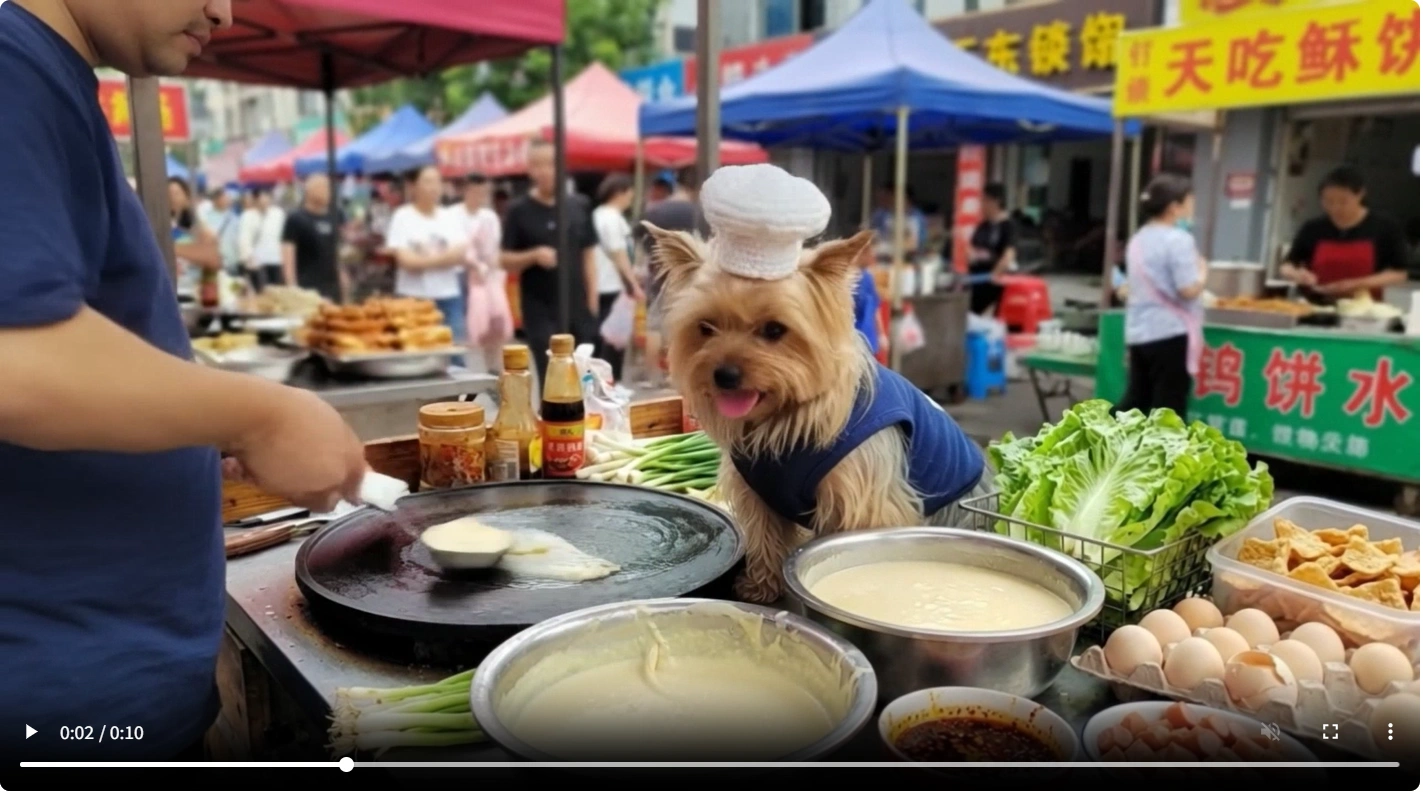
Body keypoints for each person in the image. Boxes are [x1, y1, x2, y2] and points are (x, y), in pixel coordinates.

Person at [0, 0, 368, 763]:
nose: (225, 11)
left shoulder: (48, 78)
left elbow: (67, 332)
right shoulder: (11, 67)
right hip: (56, 716)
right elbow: (15, 361)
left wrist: (189, 423)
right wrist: (255, 415)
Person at [500, 138, 600, 377]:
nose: (545, 171)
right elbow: (503, 260)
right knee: (552, 375)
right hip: (539, 309)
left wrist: (593, 303)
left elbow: (588, 255)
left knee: (582, 374)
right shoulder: (518, 210)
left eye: (551, 163)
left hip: (577, 306)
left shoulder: (579, 205)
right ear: (529, 168)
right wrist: (533, 255)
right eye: (538, 165)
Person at [1115, 174, 1208, 418]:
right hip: (1170, 332)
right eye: (1189, 201)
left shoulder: (1138, 239)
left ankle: (1096, 437)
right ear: (1174, 208)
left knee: (1138, 398)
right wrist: (1203, 274)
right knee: (1170, 407)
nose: (1192, 207)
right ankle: (1169, 454)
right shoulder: (1179, 240)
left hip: (1140, 331)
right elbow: (1187, 290)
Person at [1280, 166, 1410, 300]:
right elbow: (1287, 266)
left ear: (1360, 194)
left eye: (1343, 202)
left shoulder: (1385, 227)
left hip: (1364, 307)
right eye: (1328, 201)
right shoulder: (1312, 228)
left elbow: (1399, 273)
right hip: (1314, 306)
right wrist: (1296, 275)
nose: (1335, 208)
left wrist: (1356, 284)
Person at [386, 165, 469, 358]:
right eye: (428, 181)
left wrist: (424, 260)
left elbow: (460, 254)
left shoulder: (450, 217)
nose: (434, 187)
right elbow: (406, 260)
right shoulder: (402, 217)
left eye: (438, 182)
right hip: (412, 298)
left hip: (448, 296)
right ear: (413, 186)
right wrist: (443, 259)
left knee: (455, 355)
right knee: (414, 355)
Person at [633, 176, 705, 386]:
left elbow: (638, 233)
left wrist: (652, 257)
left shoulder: (657, 209)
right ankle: (675, 375)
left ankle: (652, 375)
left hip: (661, 272)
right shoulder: (697, 212)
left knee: (655, 324)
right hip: (691, 274)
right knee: (683, 324)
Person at [444, 174, 511, 374]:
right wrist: (471, 262)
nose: (480, 196)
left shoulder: (489, 217)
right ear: (465, 191)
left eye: (484, 192)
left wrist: (491, 270)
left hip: (486, 277)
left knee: (492, 325)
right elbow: (453, 246)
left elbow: (495, 248)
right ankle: (458, 368)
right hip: (459, 274)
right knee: (460, 326)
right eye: (476, 191)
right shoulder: (451, 215)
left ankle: (492, 368)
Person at [590, 173, 644, 381]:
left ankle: (602, 380)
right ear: (619, 193)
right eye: (630, 193)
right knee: (612, 337)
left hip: (601, 282)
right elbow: (618, 252)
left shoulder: (597, 215)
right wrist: (632, 282)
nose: (631, 198)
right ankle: (610, 380)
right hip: (610, 283)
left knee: (605, 335)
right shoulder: (611, 218)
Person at [281, 173, 347, 301]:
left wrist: (342, 277)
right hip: (308, 289)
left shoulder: (334, 216)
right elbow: (288, 257)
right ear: (310, 191)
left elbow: (334, 251)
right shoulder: (295, 219)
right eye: (325, 188)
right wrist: (292, 288)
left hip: (332, 287)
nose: (329, 193)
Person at [964, 183, 1018, 315]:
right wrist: (970, 254)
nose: (981, 204)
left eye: (984, 200)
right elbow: (971, 246)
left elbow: (1008, 255)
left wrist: (994, 274)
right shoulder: (983, 225)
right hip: (977, 278)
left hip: (994, 281)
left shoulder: (1008, 226)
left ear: (996, 201)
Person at [168, 177, 220, 296]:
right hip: (172, 289)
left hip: (194, 288)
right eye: (168, 193)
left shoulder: (198, 226)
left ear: (186, 197)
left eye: (176, 193)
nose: (172, 198)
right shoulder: (159, 226)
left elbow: (212, 258)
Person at [239, 187, 285, 291]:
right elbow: (244, 239)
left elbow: (283, 237)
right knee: (262, 293)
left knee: (278, 292)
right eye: (261, 197)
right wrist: (248, 258)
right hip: (257, 263)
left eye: (267, 197)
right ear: (256, 199)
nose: (264, 200)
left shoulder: (278, 214)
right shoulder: (248, 216)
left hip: (277, 260)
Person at [870, 182, 926, 261]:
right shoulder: (881, 214)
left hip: (907, 261)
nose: (883, 201)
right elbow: (872, 235)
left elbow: (914, 246)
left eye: (886, 198)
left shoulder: (915, 218)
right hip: (881, 258)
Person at [852, 240, 887, 358]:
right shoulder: (850, 280)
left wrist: (881, 334)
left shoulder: (867, 278)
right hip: (854, 339)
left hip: (867, 337)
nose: (873, 257)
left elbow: (875, 309)